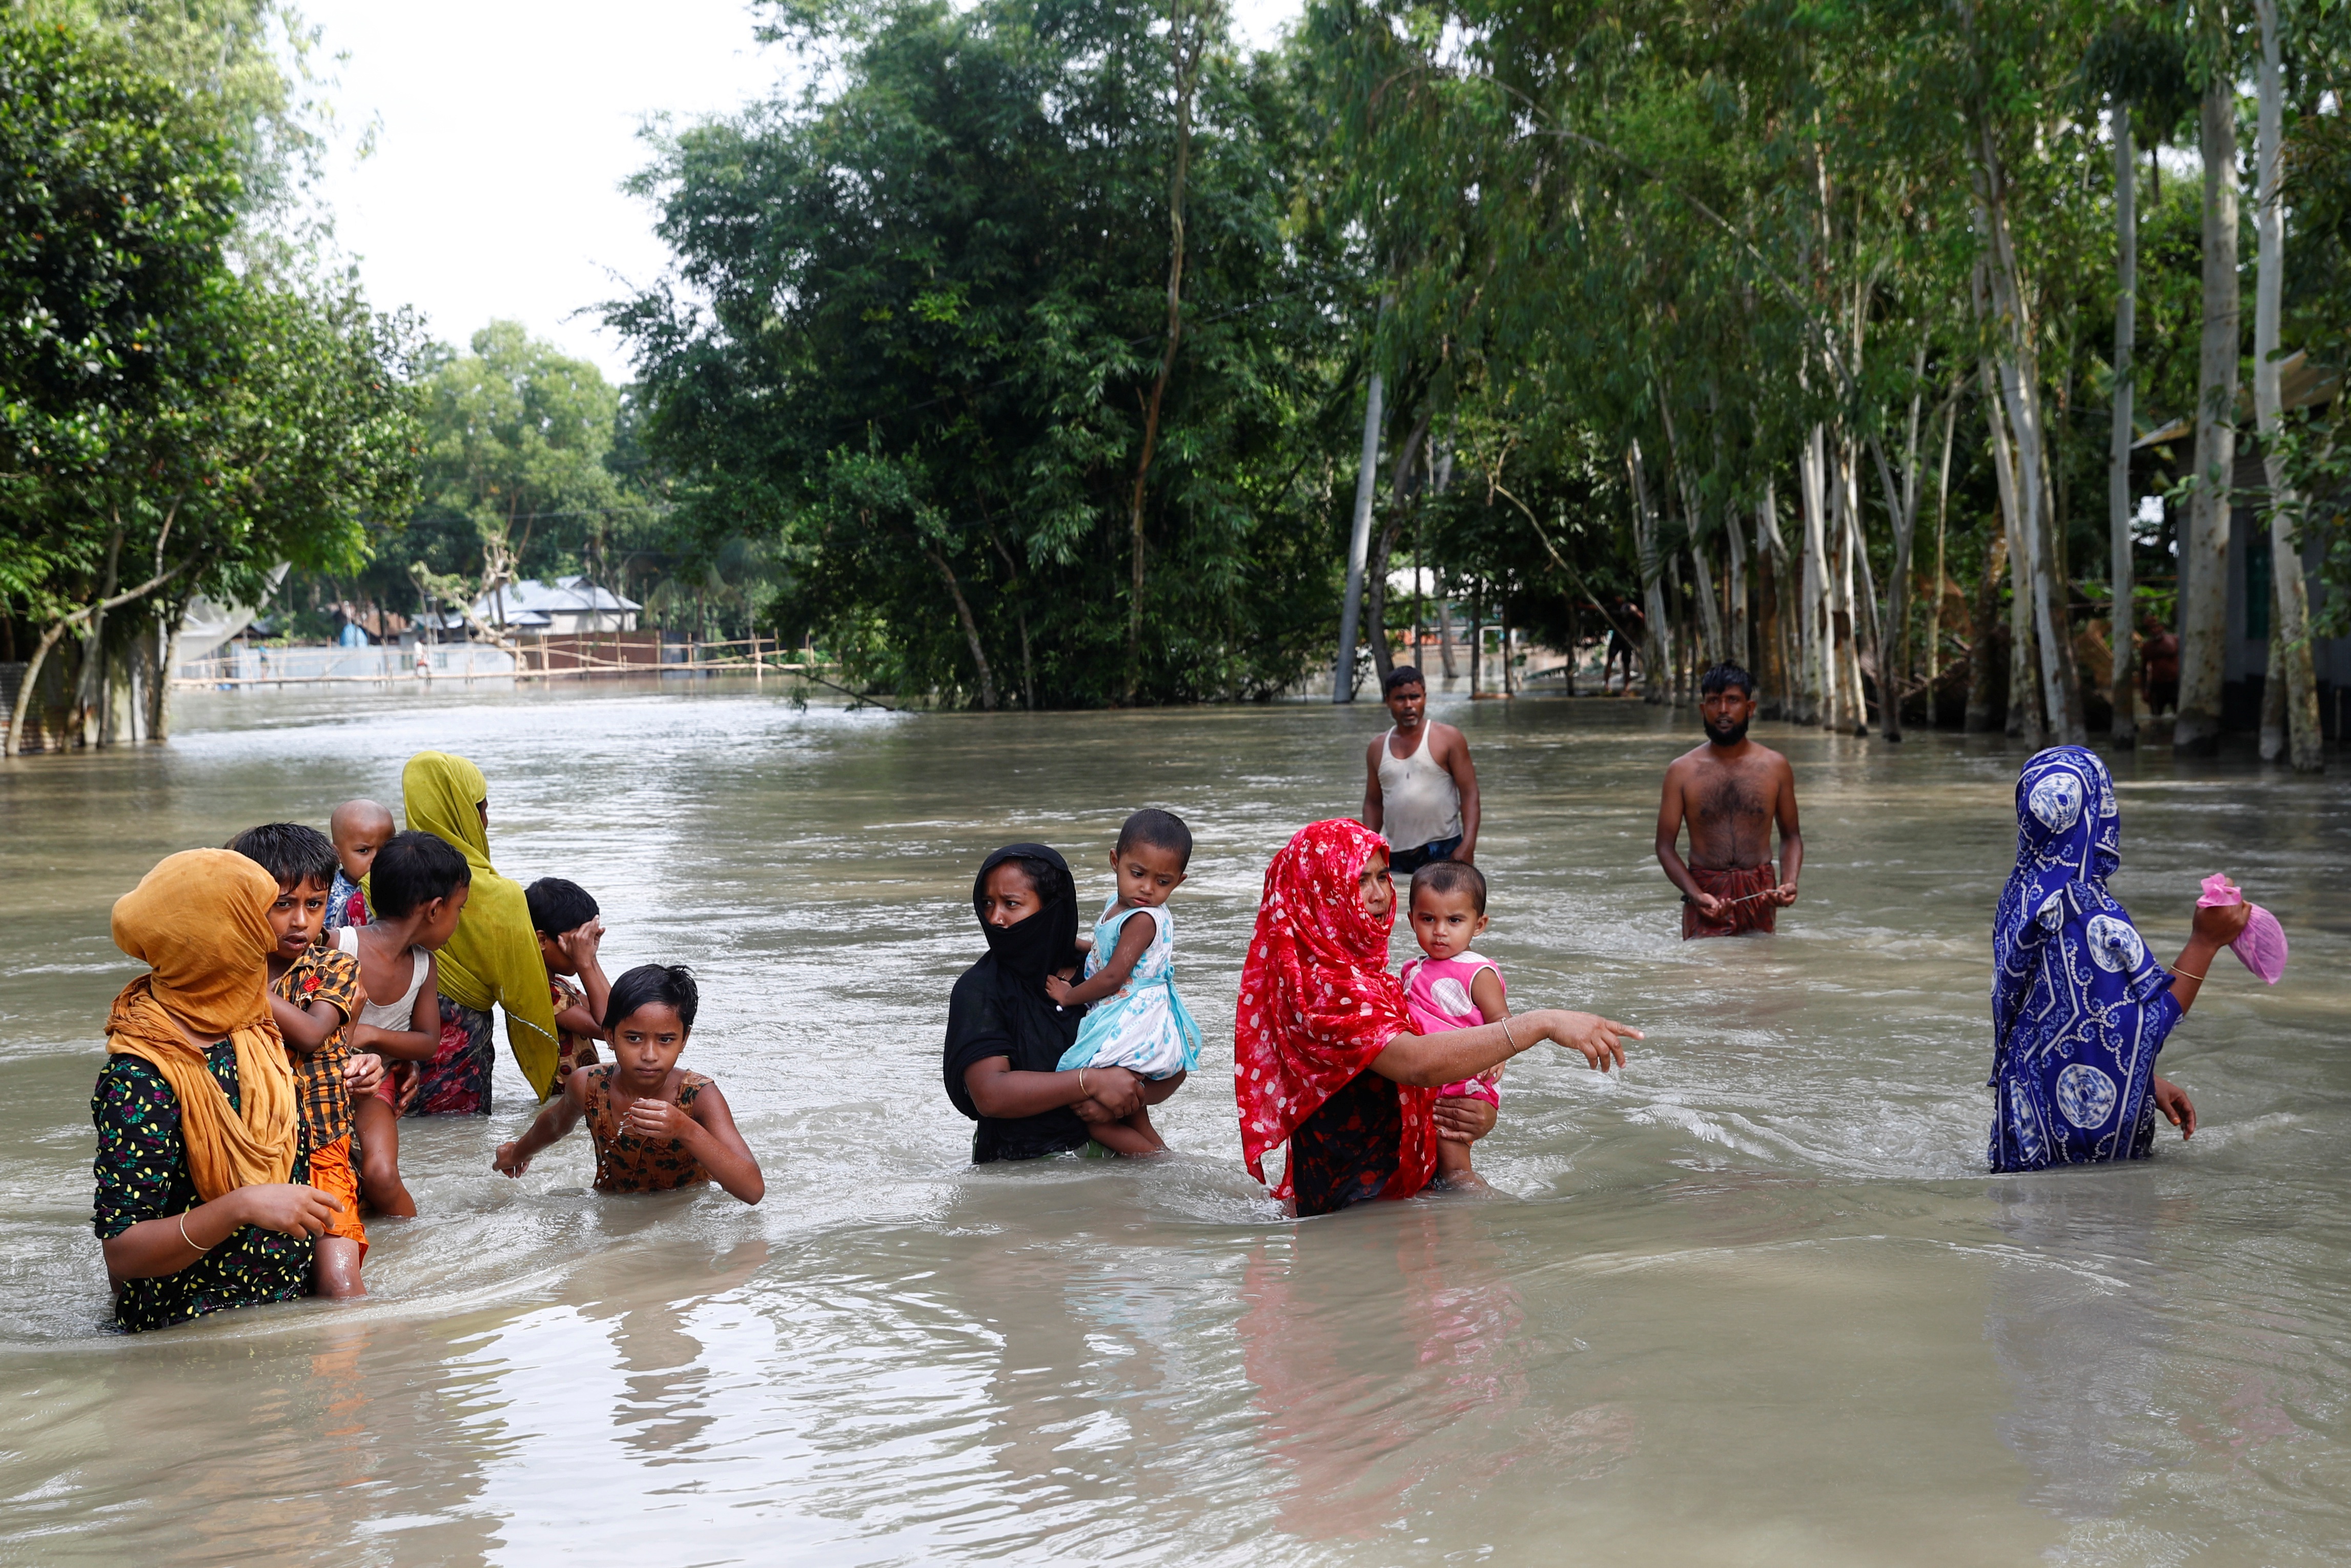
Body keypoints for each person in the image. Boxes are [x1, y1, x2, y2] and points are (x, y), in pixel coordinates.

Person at [1235, 819, 1640, 1217]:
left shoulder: (1363, 973)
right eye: (1360, 881)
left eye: (1382, 876)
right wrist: (1542, 1023)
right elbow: (1416, 1063)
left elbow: (1413, 1075)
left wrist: (1471, 1115)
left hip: (1388, 1198)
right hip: (1353, 1213)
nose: (1379, 895)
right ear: (1320, 892)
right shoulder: (1324, 987)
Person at [91, 849, 343, 1331]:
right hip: (192, 1335)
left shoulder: (253, 1028)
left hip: (286, 1318)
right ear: (216, 943)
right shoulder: (140, 1076)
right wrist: (242, 1205)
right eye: (256, 924)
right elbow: (123, 1253)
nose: (271, 937)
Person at [1989, 746, 2250, 1172]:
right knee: (2093, 1214)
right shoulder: (2089, 910)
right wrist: (2205, 941)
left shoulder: (2021, 896)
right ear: (2099, 815)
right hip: (2084, 1132)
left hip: (2026, 1114)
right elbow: (2144, 1024)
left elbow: (2060, 1019)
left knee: (2033, 1211)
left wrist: (2146, 1081)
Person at [943, 844, 1184, 1163]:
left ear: (1052, 909)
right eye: (988, 903)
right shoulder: (980, 989)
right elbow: (990, 1095)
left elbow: (1171, 1065)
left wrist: (1130, 1095)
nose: (995, 918)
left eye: (1011, 904)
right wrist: (1091, 1083)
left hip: (1122, 1168)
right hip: (1022, 1174)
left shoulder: (1104, 976)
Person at [229, 824, 382, 1297]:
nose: (300, 920)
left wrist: (238, 980)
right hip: (250, 1150)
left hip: (322, 1146)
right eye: (283, 905)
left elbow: (314, 1034)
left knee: (340, 1284)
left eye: (314, 904)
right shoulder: (216, 978)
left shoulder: (333, 966)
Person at [494, 964, 763, 1203]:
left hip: (685, 1214)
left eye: (666, 1040)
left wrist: (685, 1129)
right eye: (634, 1038)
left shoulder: (699, 1096)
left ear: (684, 1040)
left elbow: (753, 1190)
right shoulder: (589, 1085)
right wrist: (517, 1153)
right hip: (614, 1211)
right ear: (610, 1037)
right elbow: (555, 1124)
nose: (649, 1055)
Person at [399, 751, 563, 1113]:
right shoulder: (500, 896)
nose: (486, 822)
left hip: (385, 1063)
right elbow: (525, 996)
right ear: (463, 814)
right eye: (481, 810)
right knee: (459, 1133)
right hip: (460, 1058)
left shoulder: (373, 884)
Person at [1044, 809, 1202, 1156]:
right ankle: (1166, 1162)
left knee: (1097, 1120)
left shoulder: (1143, 918)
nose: (1147, 888)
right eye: (1138, 874)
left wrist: (1069, 996)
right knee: (1135, 1118)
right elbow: (1108, 950)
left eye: (1162, 882)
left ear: (1178, 882)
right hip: (1138, 1011)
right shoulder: (1121, 907)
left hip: (1132, 1019)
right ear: (1116, 862)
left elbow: (1114, 975)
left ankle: (1154, 1166)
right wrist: (1074, 945)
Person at [339, 830, 472, 1218]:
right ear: (435, 910)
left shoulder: (424, 965)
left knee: (381, 1175)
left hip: (374, 1086)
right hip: (319, 1081)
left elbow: (428, 1042)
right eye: (459, 909)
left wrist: (370, 1035)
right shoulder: (339, 945)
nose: (458, 919)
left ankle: (416, 1242)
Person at [1654, 662, 1803, 939]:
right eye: (1714, 701)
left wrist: (1789, 883)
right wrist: (1696, 894)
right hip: (1706, 888)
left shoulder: (1775, 766)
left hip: (1760, 890)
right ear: (1703, 710)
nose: (1723, 710)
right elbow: (1664, 847)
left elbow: (1791, 836)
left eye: (1733, 700)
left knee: (1760, 962)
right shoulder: (1682, 771)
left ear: (1750, 708)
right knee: (1706, 963)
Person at [1400, 860, 1511, 1190]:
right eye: (1428, 919)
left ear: (1479, 925)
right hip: (1425, 1075)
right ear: (1411, 920)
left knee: (1454, 1167)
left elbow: (1501, 1020)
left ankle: (1473, 1206)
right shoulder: (1412, 968)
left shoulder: (1478, 971)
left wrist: (1498, 1054)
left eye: (1454, 920)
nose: (1440, 931)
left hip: (1461, 1082)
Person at [1361, 664, 1480, 877]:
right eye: (1400, 699)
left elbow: (1470, 794)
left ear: (1425, 697)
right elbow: (1373, 803)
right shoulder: (1377, 747)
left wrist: (1468, 845)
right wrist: (1367, 851)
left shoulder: (1448, 738)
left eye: (1415, 697)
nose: (1408, 705)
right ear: (1387, 700)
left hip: (1444, 849)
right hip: (1395, 853)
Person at [526, 877, 614, 1090]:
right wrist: (585, 963)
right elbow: (611, 1029)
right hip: (565, 1098)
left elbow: (619, 1012)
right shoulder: (545, 994)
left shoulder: (560, 984)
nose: (582, 949)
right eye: (577, 942)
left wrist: (591, 958)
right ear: (542, 940)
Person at [326, 799, 394, 931]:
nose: (377, 860)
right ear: (337, 855)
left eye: (386, 849)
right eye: (363, 851)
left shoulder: (399, 883)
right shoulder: (331, 901)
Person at [2140, 614, 2180, 717]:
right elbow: (2143, 670)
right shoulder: (2147, 647)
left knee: (2180, 713)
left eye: (2157, 627)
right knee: (2157, 715)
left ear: (2162, 627)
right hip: (2158, 685)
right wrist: (2144, 691)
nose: (2155, 630)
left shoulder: (2175, 640)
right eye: (2151, 628)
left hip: (2175, 683)